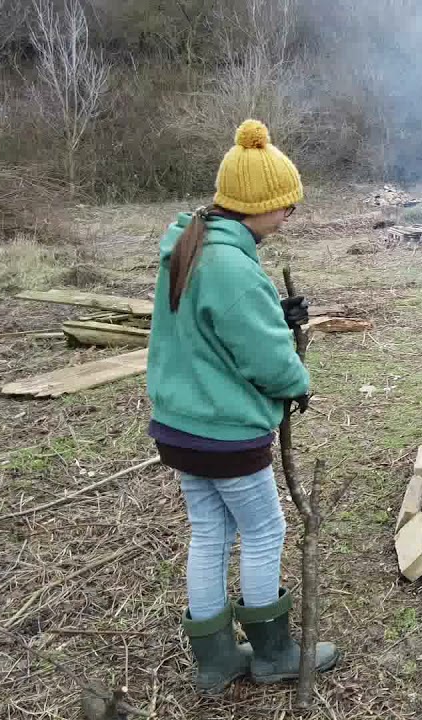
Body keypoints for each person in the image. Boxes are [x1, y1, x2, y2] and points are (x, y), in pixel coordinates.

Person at [146, 119, 338, 694]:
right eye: (284, 206)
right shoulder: (233, 267)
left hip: (180, 424)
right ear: (254, 207)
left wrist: (276, 314)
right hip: (226, 430)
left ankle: (215, 661)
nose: (289, 216)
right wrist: (297, 379)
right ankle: (275, 654)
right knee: (262, 529)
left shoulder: (192, 240)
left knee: (209, 531)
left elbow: (214, 334)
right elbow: (265, 358)